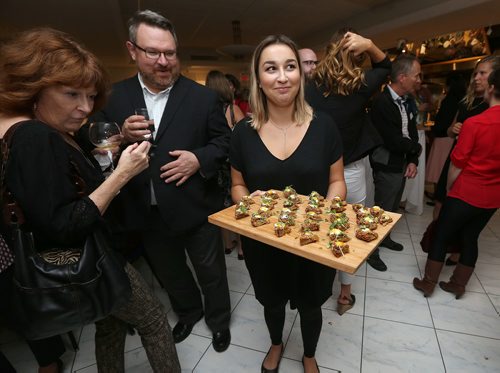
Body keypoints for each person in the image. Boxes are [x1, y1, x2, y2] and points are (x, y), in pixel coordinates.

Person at [0, 27, 180, 372]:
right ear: (34, 86)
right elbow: (64, 226)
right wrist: (122, 173)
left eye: (90, 96)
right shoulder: (35, 136)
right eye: (71, 94)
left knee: (110, 323)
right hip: (91, 260)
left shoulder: (36, 128)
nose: (85, 108)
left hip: (89, 257)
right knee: (154, 320)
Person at [87, 10, 232, 351]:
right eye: (153, 52)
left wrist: (199, 159)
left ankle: (219, 322)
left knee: (211, 273)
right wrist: (119, 135)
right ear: (132, 50)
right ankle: (188, 313)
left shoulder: (203, 97)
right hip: (145, 211)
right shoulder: (113, 98)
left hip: (196, 206)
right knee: (172, 274)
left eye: (170, 53)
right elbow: (94, 144)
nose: (164, 61)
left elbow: (225, 143)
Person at [230, 34, 346, 373]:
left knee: (311, 306)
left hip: (314, 242)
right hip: (264, 242)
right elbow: (237, 186)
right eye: (271, 68)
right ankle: (277, 344)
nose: (282, 77)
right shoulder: (243, 133)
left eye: (290, 66)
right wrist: (249, 200)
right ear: (258, 79)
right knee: (272, 302)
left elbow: (337, 180)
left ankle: (309, 354)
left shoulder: (324, 126)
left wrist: (325, 210)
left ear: (301, 73)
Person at [306, 29, 390, 309]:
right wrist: (370, 44)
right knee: (349, 230)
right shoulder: (361, 85)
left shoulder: (308, 89)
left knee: (319, 228)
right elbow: (386, 66)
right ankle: (344, 293)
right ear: (355, 60)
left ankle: (316, 287)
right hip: (350, 172)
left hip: (317, 171)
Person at [413, 68, 500, 298]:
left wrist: (450, 188)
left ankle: (428, 283)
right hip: (493, 196)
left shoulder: (475, 122)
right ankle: (458, 285)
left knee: (442, 233)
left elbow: (457, 164)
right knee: (470, 237)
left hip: (466, 191)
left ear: (491, 87)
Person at [432, 56, 500, 265]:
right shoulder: (465, 101)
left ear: (494, 80)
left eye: (483, 73)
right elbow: (450, 131)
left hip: (473, 169)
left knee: (463, 215)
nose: (477, 77)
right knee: (440, 199)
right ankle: (437, 240)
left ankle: (454, 250)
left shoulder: (492, 106)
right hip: (456, 159)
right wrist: (452, 131)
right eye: (475, 73)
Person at [369, 54, 422, 269]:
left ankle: (385, 238)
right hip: (387, 162)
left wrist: (413, 159)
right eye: (417, 76)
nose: (419, 80)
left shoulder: (407, 101)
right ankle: (371, 250)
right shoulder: (381, 102)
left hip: (401, 161)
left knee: (392, 207)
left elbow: (411, 133)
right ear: (402, 77)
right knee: (381, 208)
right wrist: (415, 149)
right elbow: (393, 140)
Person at [205, 70, 245, 259]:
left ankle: (227, 244)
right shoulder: (232, 109)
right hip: (233, 164)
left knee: (222, 205)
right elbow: (248, 135)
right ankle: (242, 248)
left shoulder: (205, 110)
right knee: (240, 204)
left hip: (216, 166)